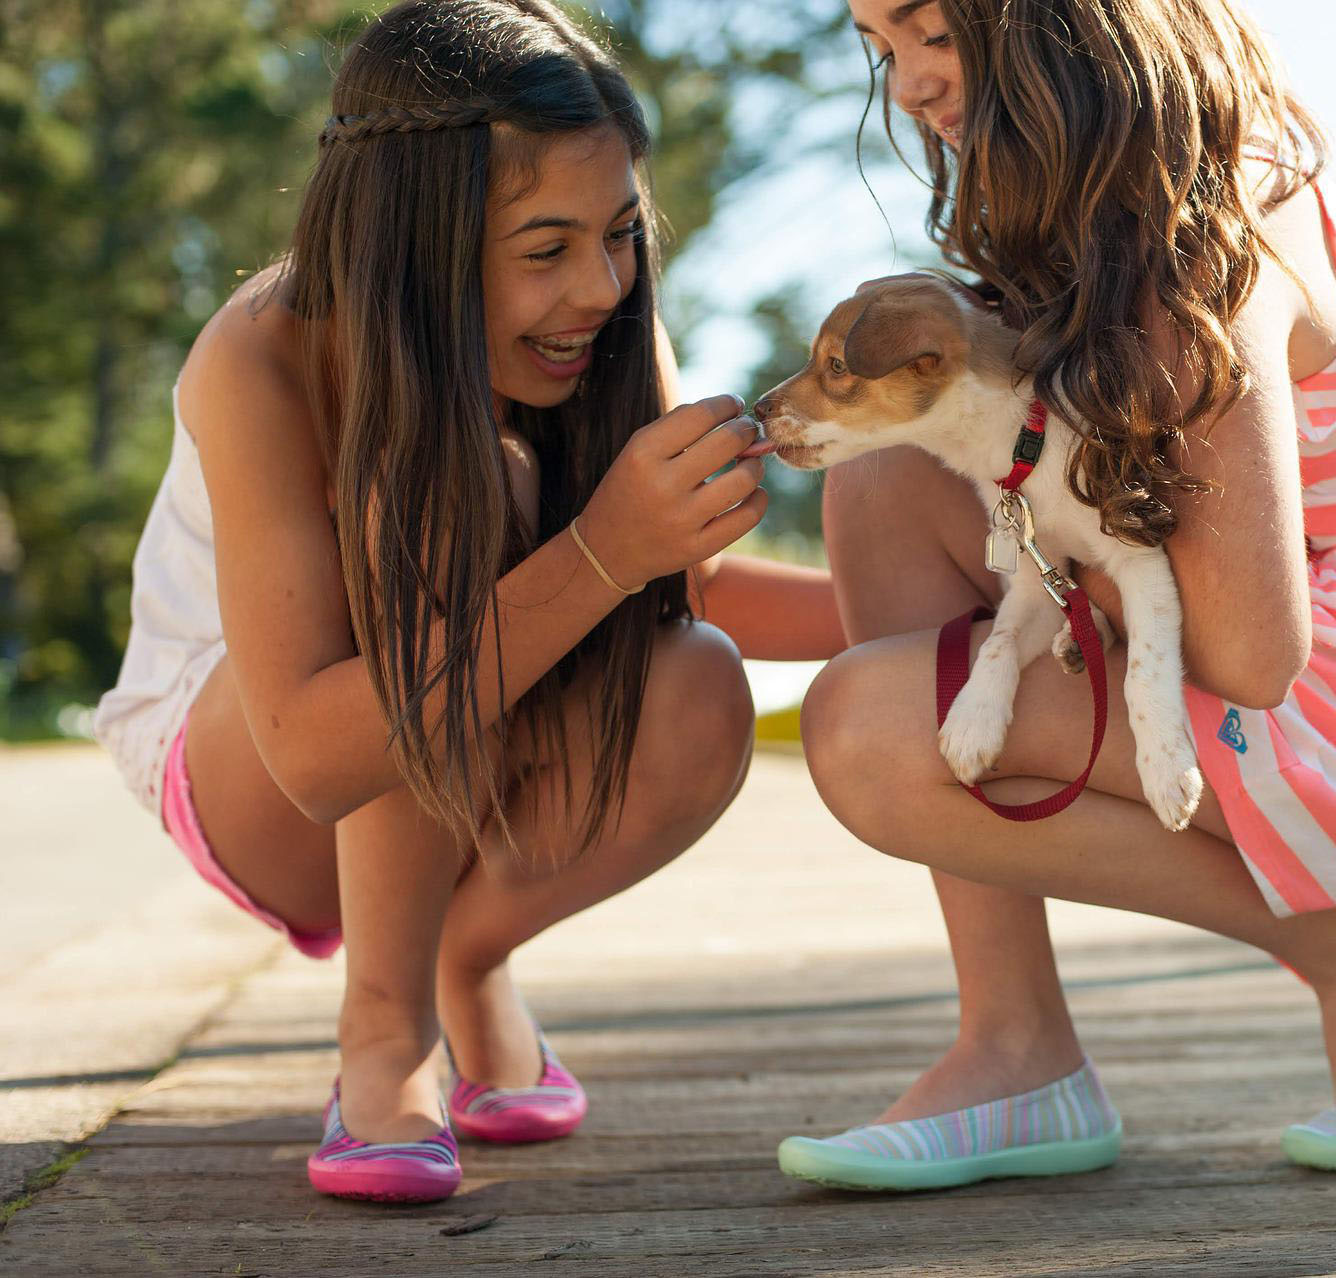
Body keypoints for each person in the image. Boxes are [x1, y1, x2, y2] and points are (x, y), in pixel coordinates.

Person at [777, 0, 1336, 1190]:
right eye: (882, 50)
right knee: (891, 476)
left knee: (872, 731)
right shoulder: (1125, 225)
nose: (908, 88)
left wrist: (1055, 592)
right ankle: (1016, 1048)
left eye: (932, 33)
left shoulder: (1203, 261)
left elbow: (1254, 655)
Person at [90, 0, 840, 1204]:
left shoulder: (603, 330)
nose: (599, 286)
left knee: (696, 676)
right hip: (252, 768)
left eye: (621, 234)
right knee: (446, 478)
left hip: (458, 740)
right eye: (544, 250)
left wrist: (960, 605)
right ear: (413, 241)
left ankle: (465, 956)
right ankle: (386, 1028)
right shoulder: (265, 350)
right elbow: (315, 757)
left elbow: (679, 588)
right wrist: (600, 547)